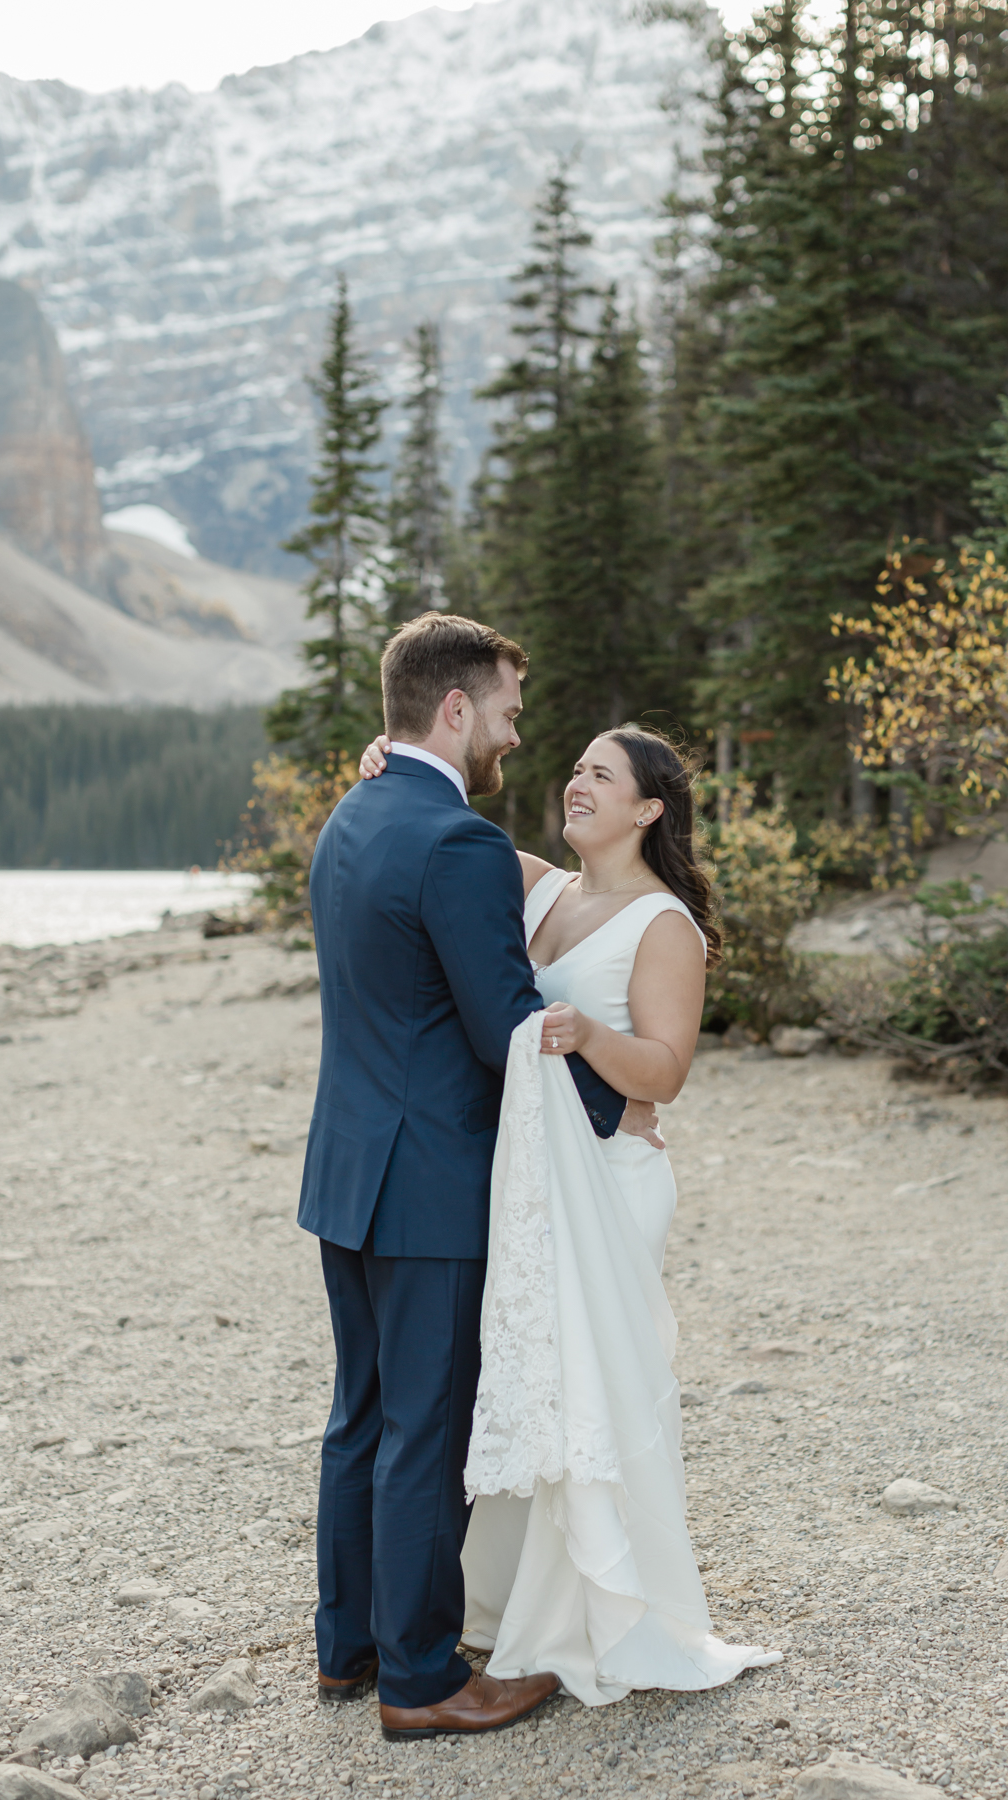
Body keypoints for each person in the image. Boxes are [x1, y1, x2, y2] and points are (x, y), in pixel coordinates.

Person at [356, 720, 780, 1703]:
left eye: (602, 774)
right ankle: (503, 1603)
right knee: (533, 1375)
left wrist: (587, 1033)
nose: (576, 782)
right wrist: (385, 769)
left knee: (593, 1386)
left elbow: (665, 1073)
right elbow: (438, 831)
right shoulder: (544, 887)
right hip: (538, 1190)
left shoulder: (664, 924)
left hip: (615, 1182)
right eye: (576, 767)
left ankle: (597, 1615)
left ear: (649, 808)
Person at [301, 613, 656, 1742]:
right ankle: (419, 1680)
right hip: (430, 1184)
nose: (515, 731)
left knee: (360, 1417)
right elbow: (507, 1025)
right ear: (454, 709)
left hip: (347, 1170)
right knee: (425, 1430)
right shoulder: (454, 842)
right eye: (505, 708)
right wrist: (621, 1106)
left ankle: (348, 1648)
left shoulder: (350, 818)